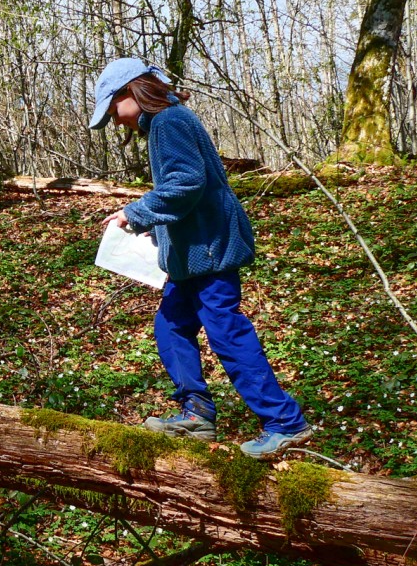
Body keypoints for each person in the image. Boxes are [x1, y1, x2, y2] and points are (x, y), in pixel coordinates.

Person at [91, 58, 311, 459]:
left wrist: (135, 212)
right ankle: (196, 414)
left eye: (112, 109)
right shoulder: (164, 123)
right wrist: (152, 227)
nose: (114, 120)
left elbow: (186, 184)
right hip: (191, 257)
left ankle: (285, 422)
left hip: (210, 251)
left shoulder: (169, 121)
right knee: (171, 325)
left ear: (132, 92)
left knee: (226, 332)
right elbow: (186, 191)